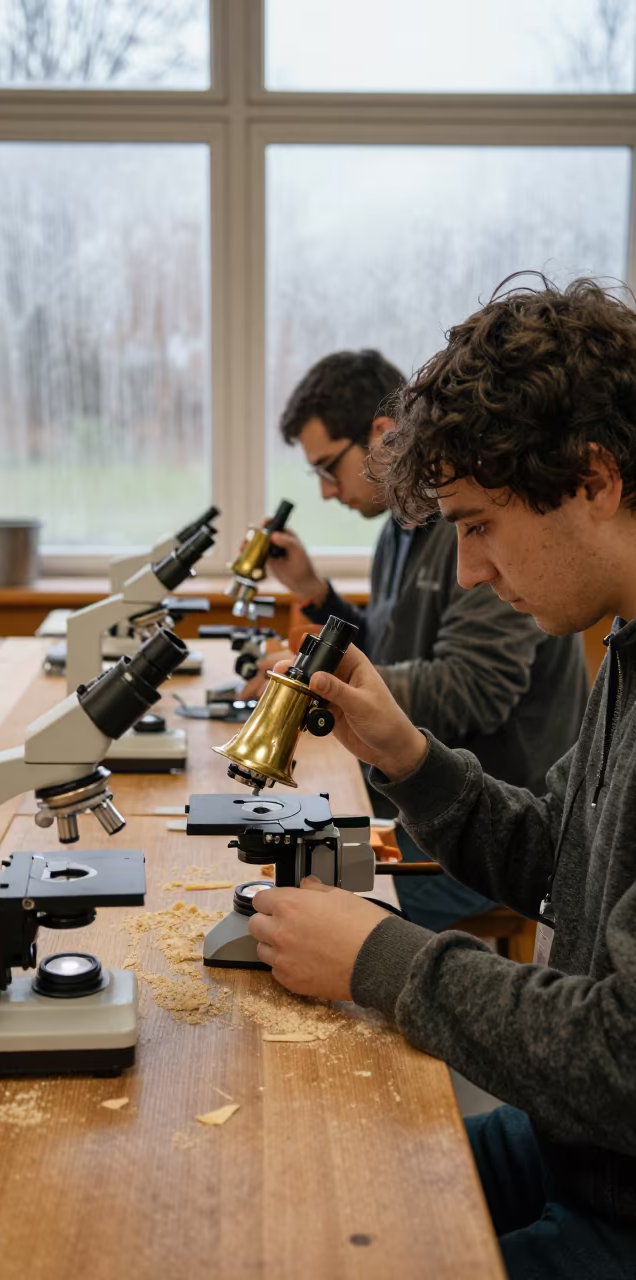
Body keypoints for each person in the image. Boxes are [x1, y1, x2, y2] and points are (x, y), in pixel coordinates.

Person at [248, 277, 636, 1278]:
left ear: (593, 479)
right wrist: (407, 757)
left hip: (619, 1195)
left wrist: (383, 955)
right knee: (310, 1199)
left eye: (477, 524)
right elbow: (558, 851)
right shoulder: (625, 645)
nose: (466, 571)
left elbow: (619, 1059)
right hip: (579, 1149)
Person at [246, 348, 588, 929]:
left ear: (382, 433)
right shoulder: (399, 531)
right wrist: (313, 591)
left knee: (302, 901)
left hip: (497, 826)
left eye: (329, 467)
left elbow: (471, 686)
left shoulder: (482, 535)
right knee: (280, 872)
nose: (327, 491)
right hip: (430, 802)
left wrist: (331, 688)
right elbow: (387, 645)